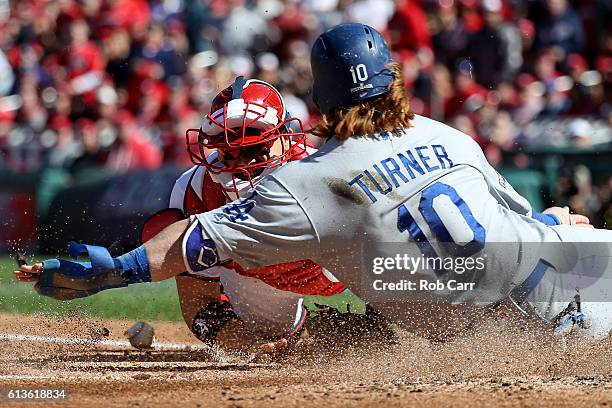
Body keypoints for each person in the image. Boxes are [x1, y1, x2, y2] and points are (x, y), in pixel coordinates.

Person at [15, 23, 612, 342]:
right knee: (565, 226)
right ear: (396, 83)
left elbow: (190, 244)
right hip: (569, 281)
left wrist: (115, 271)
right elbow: (512, 219)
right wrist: (557, 225)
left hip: (493, 334)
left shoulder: (308, 180)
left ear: (320, 99)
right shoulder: (444, 132)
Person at [140, 76, 388, 351]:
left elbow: (392, 250)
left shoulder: (327, 178)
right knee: (270, 336)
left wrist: (387, 314)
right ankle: (301, 334)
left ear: (284, 138)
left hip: (329, 268)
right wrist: (235, 337)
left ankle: (380, 326)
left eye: (255, 149)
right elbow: (197, 299)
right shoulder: (196, 189)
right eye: (229, 151)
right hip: (258, 278)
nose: (241, 165)